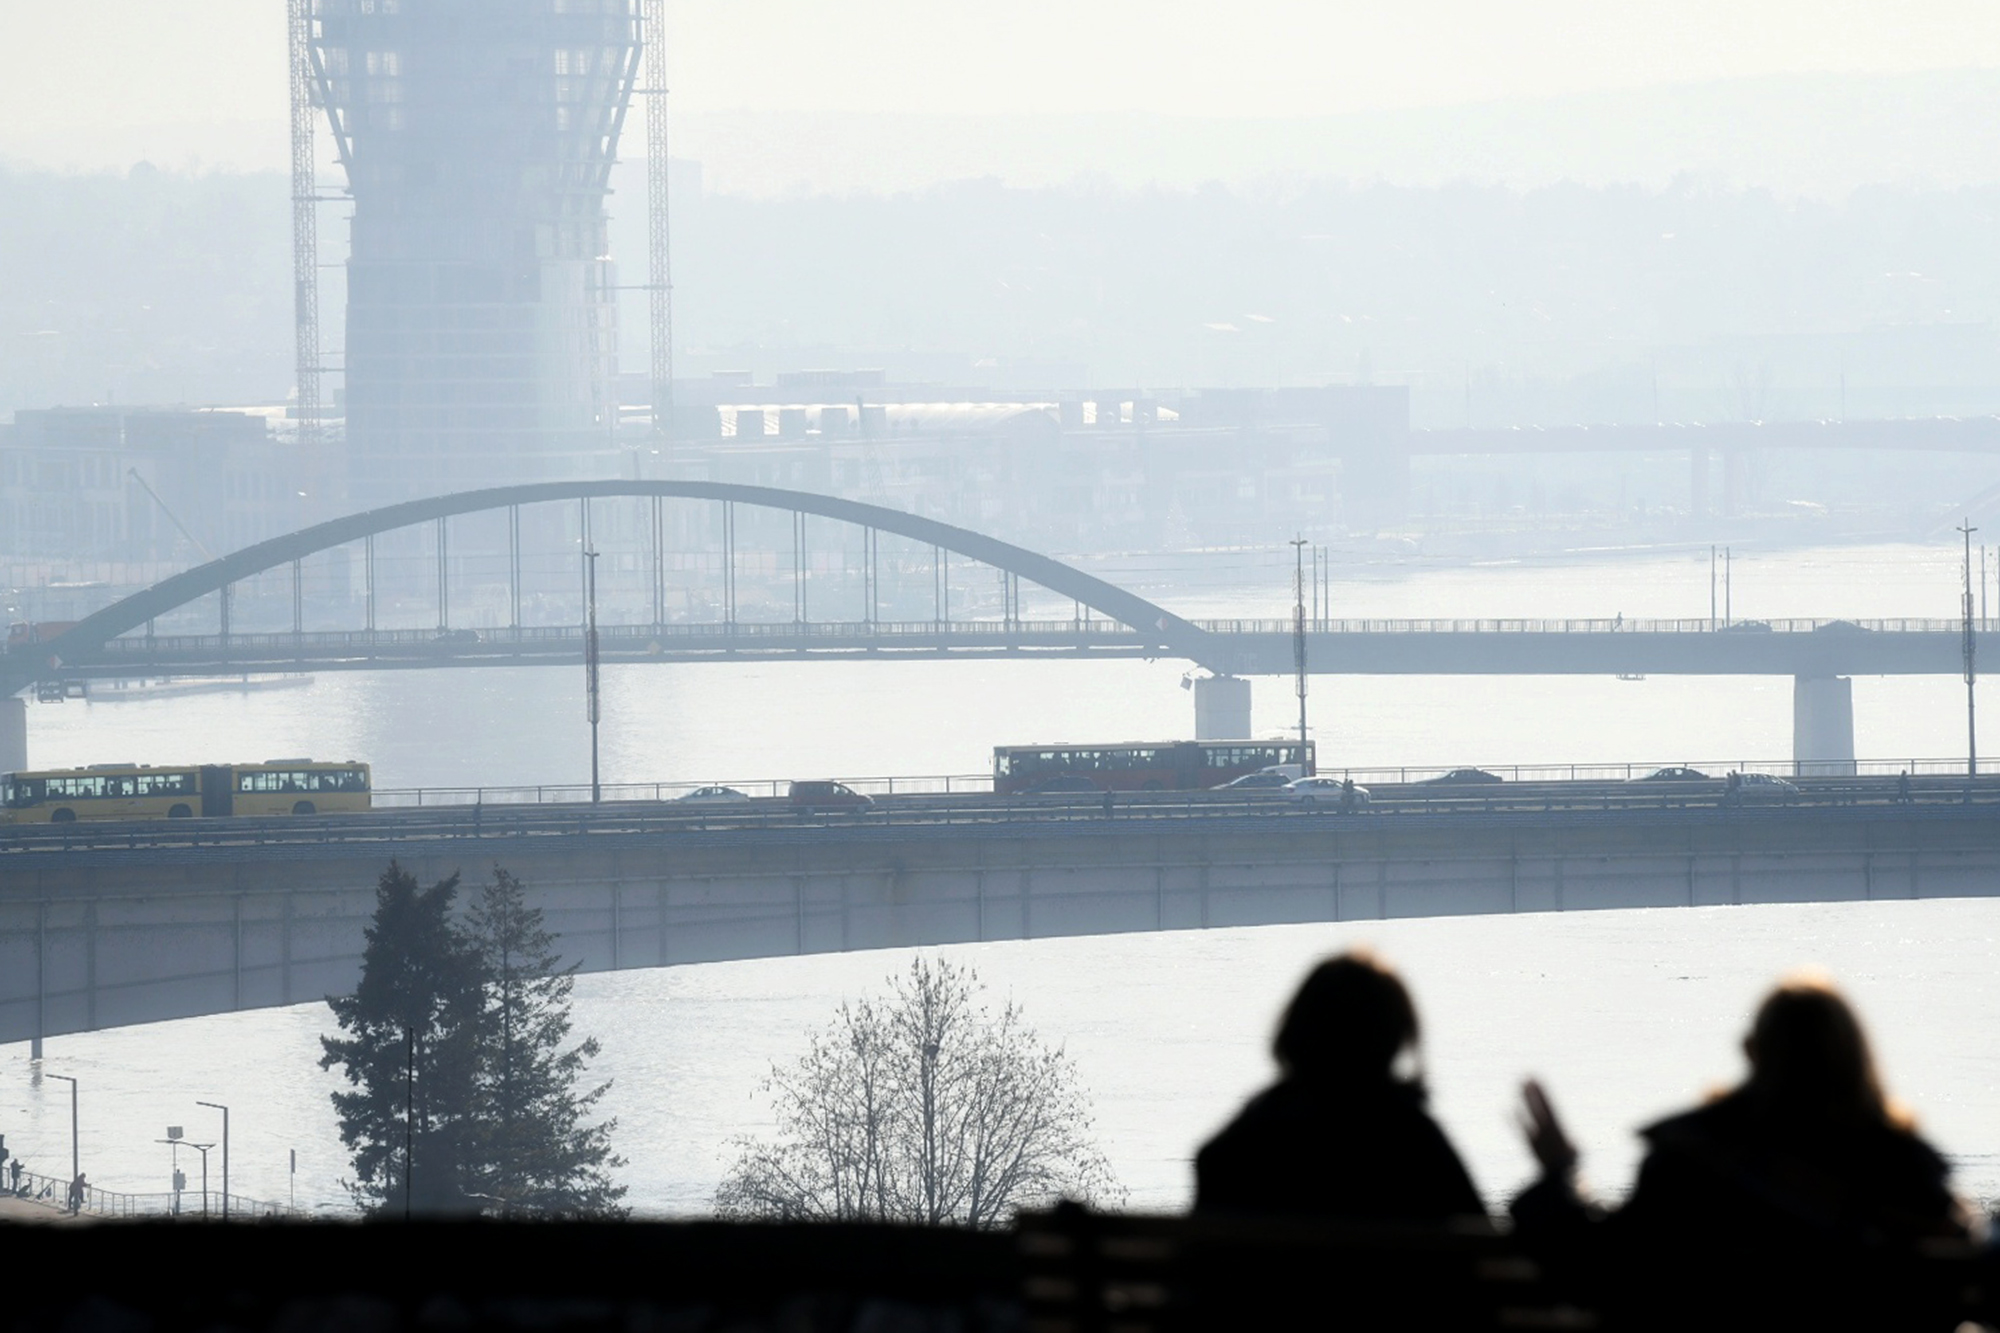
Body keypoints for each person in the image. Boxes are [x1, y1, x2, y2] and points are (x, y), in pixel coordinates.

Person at [1513, 974, 1971, 1325]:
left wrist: (1560, 1174)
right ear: (1858, 1058)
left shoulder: (1686, 1163)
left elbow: (1603, 1278)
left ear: (1751, 1051)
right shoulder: (1903, 1173)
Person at [1194, 951, 1484, 1223]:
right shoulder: (1416, 1145)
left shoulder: (1241, 1146)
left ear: (1296, 1031)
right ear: (1393, 1039)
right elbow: (1482, 1242)